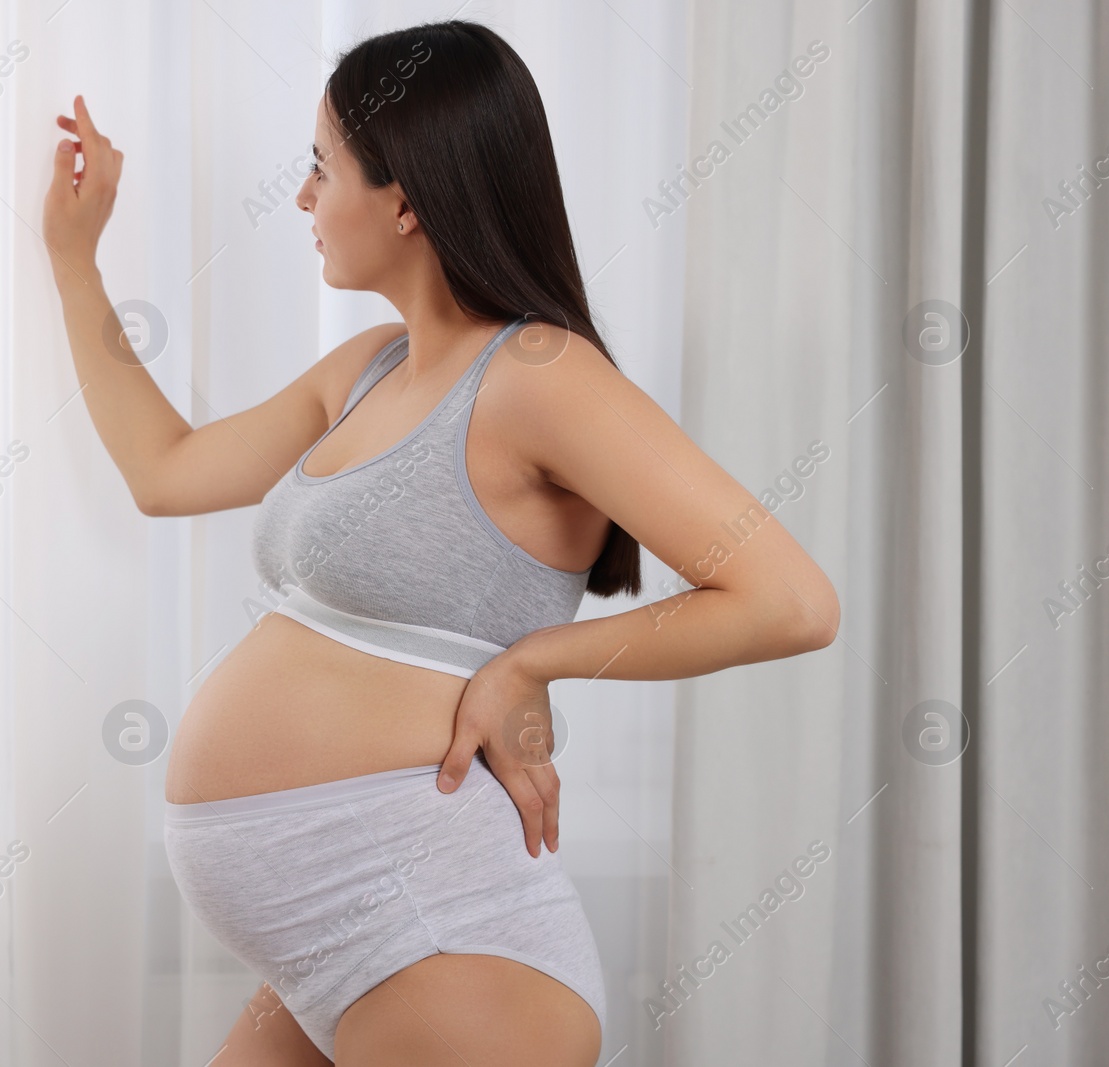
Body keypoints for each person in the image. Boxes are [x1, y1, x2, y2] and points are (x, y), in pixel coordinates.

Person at [42, 19, 838, 1067]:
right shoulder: (370, 365)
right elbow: (166, 471)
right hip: (336, 949)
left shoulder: (541, 375)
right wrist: (72, 262)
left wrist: (530, 661)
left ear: (406, 197)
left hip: (438, 936)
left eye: (321, 170)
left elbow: (789, 599)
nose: (301, 200)